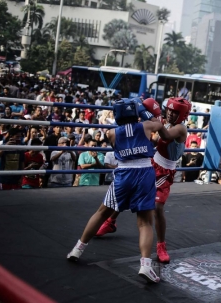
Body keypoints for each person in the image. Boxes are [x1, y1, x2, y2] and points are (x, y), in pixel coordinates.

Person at [66, 98, 167, 284]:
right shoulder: (145, 126)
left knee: (102, 212)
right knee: (145, 222)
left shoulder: (111, 133)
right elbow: (159, 125)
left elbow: (121, 140)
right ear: (135, 113)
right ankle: (145, 265)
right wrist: (142, 111)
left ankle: (77, 249)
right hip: (144, 172)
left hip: (124, 173)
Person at [96, 97, 188, 265]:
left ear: (182, 115)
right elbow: (154, 141)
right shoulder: (163, 121)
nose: (171, 114)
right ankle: (110, 222)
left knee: (158, 208)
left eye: (175, 112)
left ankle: (161, 246)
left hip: (165, 172)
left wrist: (146, 114)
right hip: (152, 163)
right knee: (129, 191)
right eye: (170, 110)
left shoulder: (180, 129)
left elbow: (165, 136)